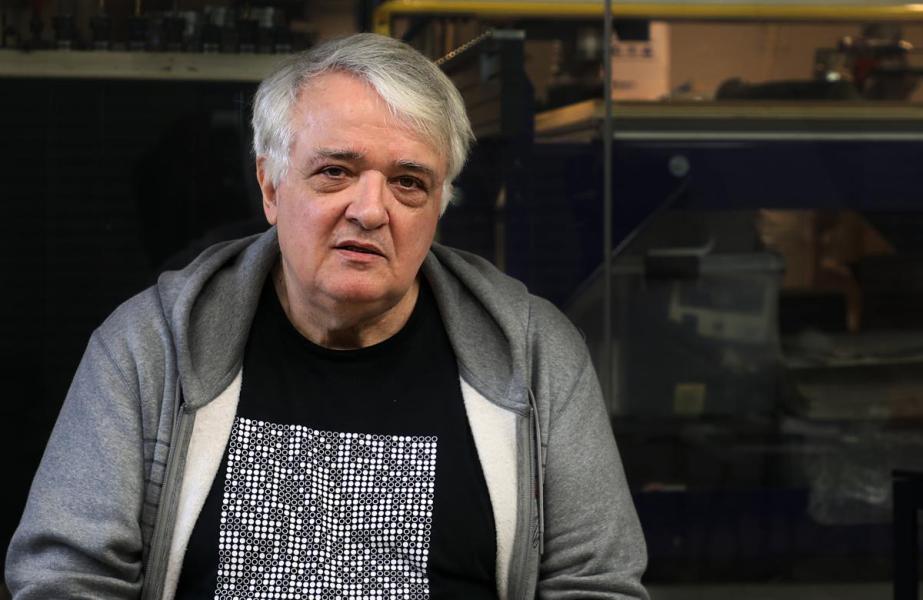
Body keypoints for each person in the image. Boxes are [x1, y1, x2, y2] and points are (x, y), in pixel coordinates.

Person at [6, 33, 648, 599]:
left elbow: (595, 583)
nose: (370, 210)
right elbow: (66, 577)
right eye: (336, 171)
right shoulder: (151, 345)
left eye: (408, 182)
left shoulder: (534, 356)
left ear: (439, 206)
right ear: (270, 187)